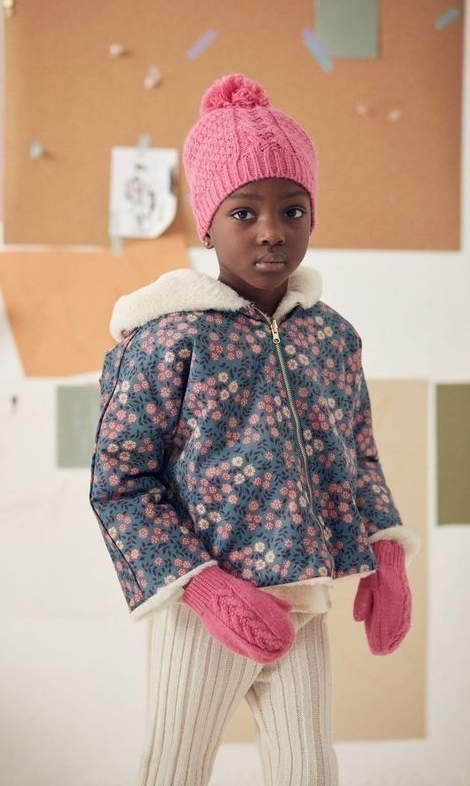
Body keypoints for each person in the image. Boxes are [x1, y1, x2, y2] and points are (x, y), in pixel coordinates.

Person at [89, 73, 420, 786]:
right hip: (202, 610)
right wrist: (205, 589)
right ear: (207, 223)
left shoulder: (329, 336)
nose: (271, 230)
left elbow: (358, 457)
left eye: (292, 209)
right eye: (244, 211)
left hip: (304, 597)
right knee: (174, 770)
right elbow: (120, 486)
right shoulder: (167, 339)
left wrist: (388, 556)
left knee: (309, 769)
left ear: (312, 218)